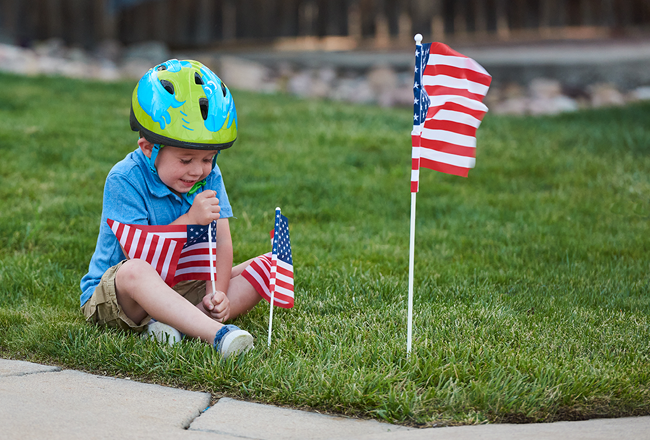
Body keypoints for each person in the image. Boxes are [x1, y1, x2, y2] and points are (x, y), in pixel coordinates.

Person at [80, 59, 266, 358]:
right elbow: (141, 255)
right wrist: (190, 220)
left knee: (268, 266)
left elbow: (221, 241)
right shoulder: (124, 179)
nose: (198, 171)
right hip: (123, 295)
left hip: (181, 282)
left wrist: (216, 292)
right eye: (185, 159)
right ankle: (217, 335)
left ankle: (177, 323)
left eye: (208, 159)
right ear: (148, 148)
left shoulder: (210, 176)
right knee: (136, 272)